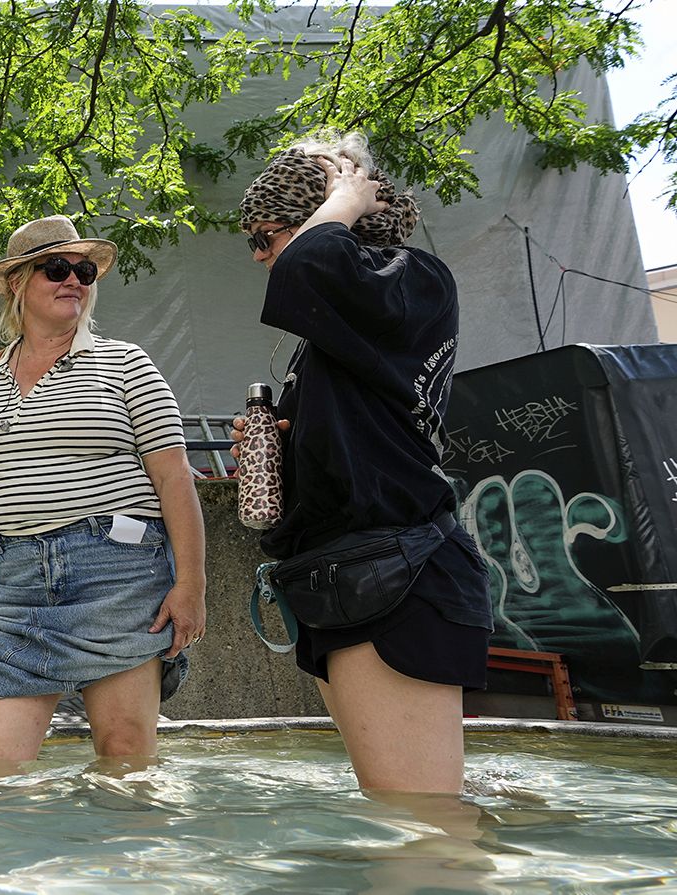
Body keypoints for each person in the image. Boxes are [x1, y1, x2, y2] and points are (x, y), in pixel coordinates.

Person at [233, 131, 492, 794]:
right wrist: (281, 452)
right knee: (401, 814)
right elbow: (357, 453)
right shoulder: (354, 319)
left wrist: (344, 194)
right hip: (352, 579)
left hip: (398, 580)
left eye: (266, 236)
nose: (261, 258)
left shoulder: (410, 277)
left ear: (323, 219)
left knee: (428, 827)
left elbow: (305, 269)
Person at [0, 215, 207, 769]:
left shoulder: (128, 362)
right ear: (17, 283)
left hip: (118, 570)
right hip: (14, 578)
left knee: (126, 759)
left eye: (84, 270)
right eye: (56, 268)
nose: (74, 280)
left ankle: (119, 859)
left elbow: (174, 478)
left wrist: (192, 585)